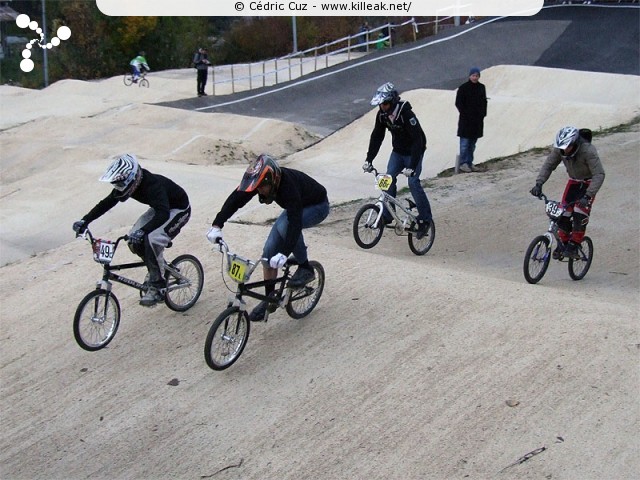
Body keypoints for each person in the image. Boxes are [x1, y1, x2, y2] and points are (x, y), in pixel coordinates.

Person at [206, 154, 330, 322]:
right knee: (268, 253)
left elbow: (294, 223)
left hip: (317, 206)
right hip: (298, 206)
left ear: (272, 181)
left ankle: (305, 267)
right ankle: (269, 300)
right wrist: (217, 225)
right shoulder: (263, 182)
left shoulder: (288, 187)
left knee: (285, 226)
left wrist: (285, 253)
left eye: (261, 188)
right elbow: (237, 198)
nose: (258, 191)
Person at [72, 154, 191, 306]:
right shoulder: (130, 183)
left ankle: (157, 286)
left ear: (130, 178)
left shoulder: (152, 185)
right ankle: (156, 267)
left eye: (119, 183)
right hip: (160, 208)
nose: (118, 187)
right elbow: (106, 203)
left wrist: (144, 231)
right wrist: (85, 220)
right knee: (133, 241)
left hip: (178, 210)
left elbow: (163, 214)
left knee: (151, 238)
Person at [363, 82, 433, 238]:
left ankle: (425, 219)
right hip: (398, 152)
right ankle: (387, 214)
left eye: (386, 104)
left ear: (393, 101)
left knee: (413, 183)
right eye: (381, 105)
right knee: (387, 180)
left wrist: (413, 166)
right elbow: (377, 137)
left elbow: (417, 140)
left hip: (414, 152)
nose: (383, 107)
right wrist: (369, 159)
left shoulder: (406, 114)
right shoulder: (382, 114)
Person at [530, 126, 605, 259]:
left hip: (588, 183)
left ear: (575, 143)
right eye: (562, 148)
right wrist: (539, 183)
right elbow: (548, 165)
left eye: (567, 147)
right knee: (563, 213)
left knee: (579, 214)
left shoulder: (588, 151)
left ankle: (574, 245)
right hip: (573, 182)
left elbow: (599, 174)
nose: (564, 150)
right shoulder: (560, 149)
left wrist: (588, 195)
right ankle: (563, 243)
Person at [455, 66, 487, 173]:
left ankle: (469, 162)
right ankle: (463, 163)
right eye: (473, 75)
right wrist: (465, 114)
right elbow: (458, 103)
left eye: (477, 76)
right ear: (470, 76)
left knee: (472, 144)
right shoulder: (463, 88)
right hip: (466, 121)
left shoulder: (481, 87)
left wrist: (482, 114)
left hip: (477, 122)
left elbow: (484, 102)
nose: (475, 77)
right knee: (464, 144)